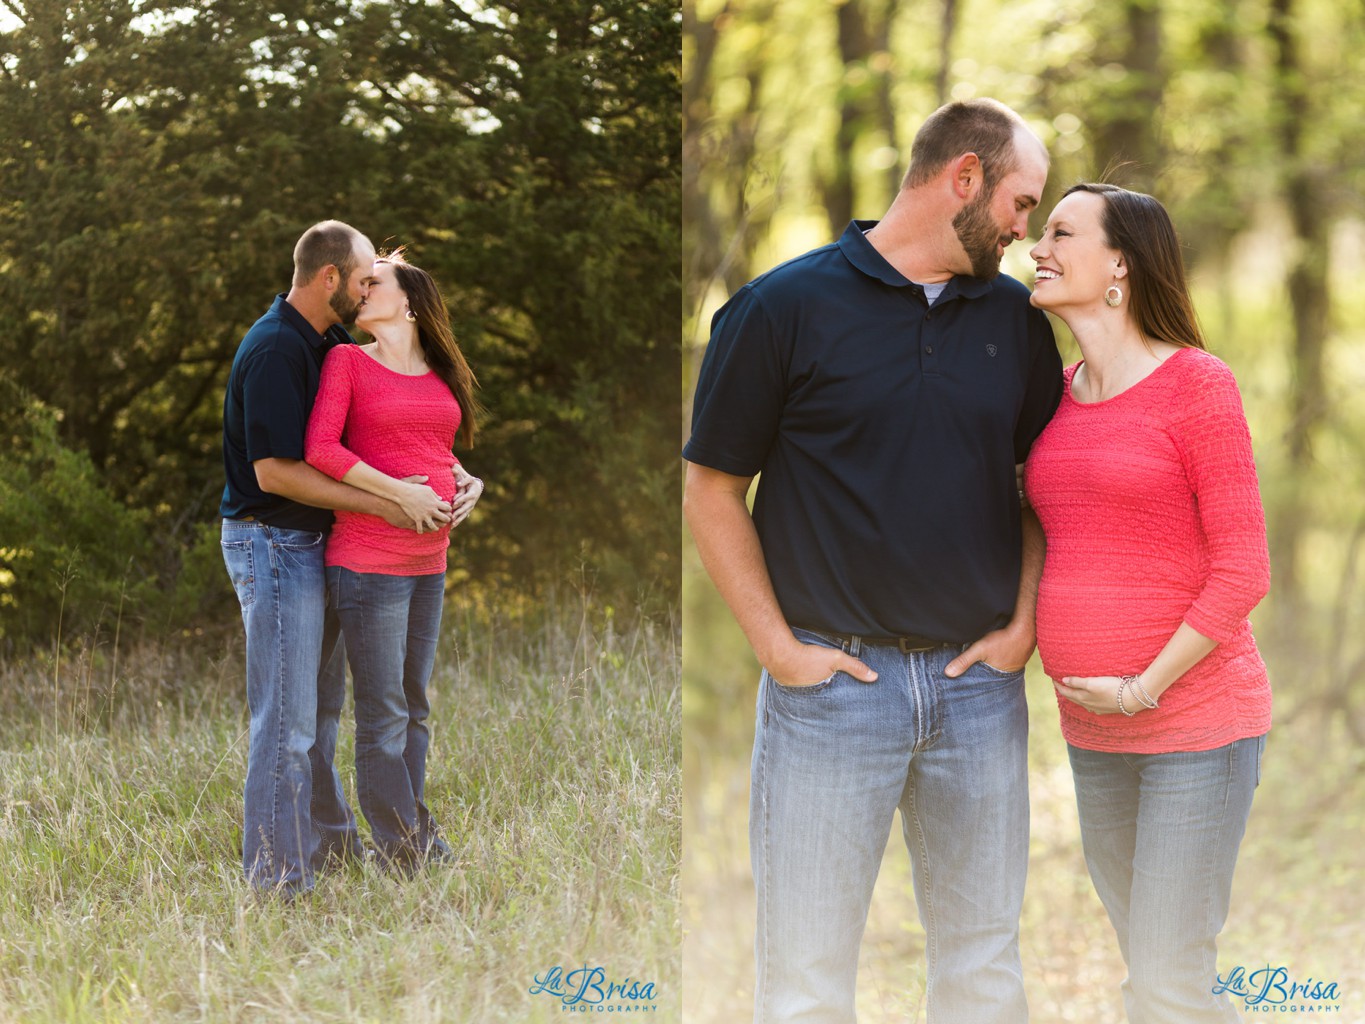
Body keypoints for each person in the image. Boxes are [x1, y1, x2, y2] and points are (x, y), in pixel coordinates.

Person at [683, 98, 1061, 1024]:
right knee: (806, 980)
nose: (1027, 229)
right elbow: (711, 489)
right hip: (831, 691)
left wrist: (1022, 626)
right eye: (1021, 202)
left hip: (978, 692)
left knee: (981, 969)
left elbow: (1042, 485)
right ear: (962, 179)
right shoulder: (780, 309)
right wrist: (777, 649)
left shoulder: (1014, 322)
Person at [1024, 183, 1271, 1022]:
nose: (1037, 245)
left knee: (1165, 979)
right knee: (1157, 966)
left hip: (1194, 726)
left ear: (1119, 262)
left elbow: (1243, 571)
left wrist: (1140, 688)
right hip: (1091, 731)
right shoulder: (1051, 397)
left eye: (1061, 232)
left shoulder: (1197, 385)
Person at [220, 220, 455, 896]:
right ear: (330, 280)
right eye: (360, 279)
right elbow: (277, 473)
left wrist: (453, 477)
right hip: (273, 542)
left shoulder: (323, 341)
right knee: (287, 723)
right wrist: (386, 506)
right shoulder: (273, 349)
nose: (365, 290)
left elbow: (390, 433)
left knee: (319, 715)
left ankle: (329, 846)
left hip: (316, 544)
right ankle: (275, 881)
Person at [305, 249, 483, 872]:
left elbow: (433, 444)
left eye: (373, 282)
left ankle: (410, 837)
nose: (361, 291)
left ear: (408, 299)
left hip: (429, 560)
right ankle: (408, 852)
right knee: (382, 714)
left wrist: (469, 482)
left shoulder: (438, 370)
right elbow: (321, 448)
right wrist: (398, 493)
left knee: (414, 705)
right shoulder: (347, 361)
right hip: (367, 561)